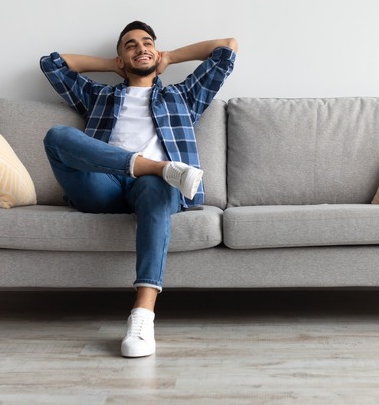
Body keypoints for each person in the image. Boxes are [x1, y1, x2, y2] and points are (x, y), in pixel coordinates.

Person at [40, 21, 237, 357]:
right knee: (56, 136)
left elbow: (227, 48)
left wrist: (170, 56)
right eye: (130, 45)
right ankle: (156, 166)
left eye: (147, 43)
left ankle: (143, 317)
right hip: (105, 187)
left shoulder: (183, 95)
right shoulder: (99, 95)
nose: (141, 48)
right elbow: (52, 63)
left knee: (155, 186)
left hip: (154, 189)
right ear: (121, 59)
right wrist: (111, 65)